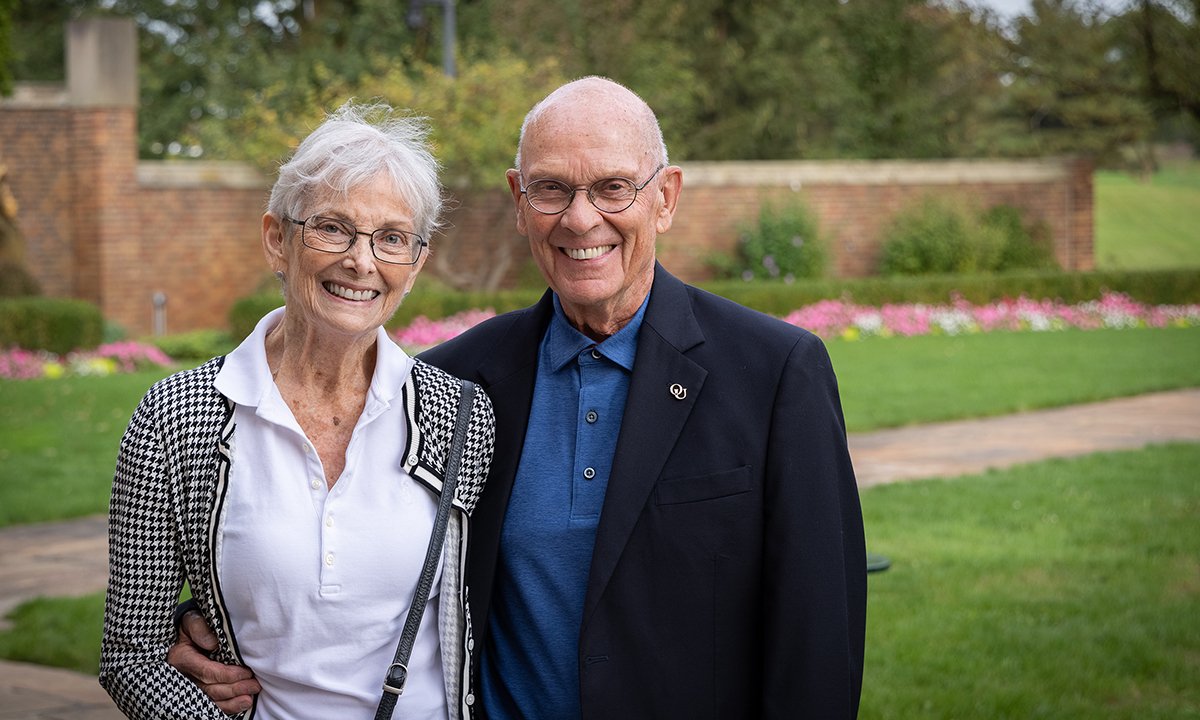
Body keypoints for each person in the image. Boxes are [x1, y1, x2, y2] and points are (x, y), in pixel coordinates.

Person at [174, 77, 866, 718]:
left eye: (614, 187)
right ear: (518, 200)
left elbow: (818, 635)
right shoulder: (456, 385)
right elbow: (349, 550)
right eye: (552, 189)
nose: (580, 218)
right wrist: (214, 627)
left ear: (666, 197)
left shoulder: (775, 373)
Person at [100, 100, 495, 720]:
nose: (361, 261)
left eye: (391, 239)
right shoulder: (176, 421)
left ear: (415, 265)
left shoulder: (459, 416)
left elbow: (494, 610)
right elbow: (131, 653)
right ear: (277, 240)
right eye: (332, 227)